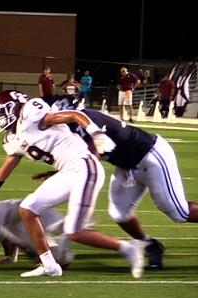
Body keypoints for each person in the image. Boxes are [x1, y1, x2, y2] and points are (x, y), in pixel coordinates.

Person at [0, 90, 145, 278]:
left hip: (84, 166)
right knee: (27, 208)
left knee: (74, 232)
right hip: (68, 172)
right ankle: (49, 265)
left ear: (13, 107)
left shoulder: (30, 112)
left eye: (2, 112)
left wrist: (96, 133)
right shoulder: (12, 139)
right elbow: (0, 176)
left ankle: (129, 248)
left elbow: (75, 115)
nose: (0, 118)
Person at [50, 97, 198, 269]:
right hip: (127, 167)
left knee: (179, 212)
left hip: (151, 155)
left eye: (61, 117)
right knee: (119, 213)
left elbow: (91, 156)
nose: (58, 122)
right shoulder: (74, 130)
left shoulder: (91, 120)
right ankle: (149, 244)